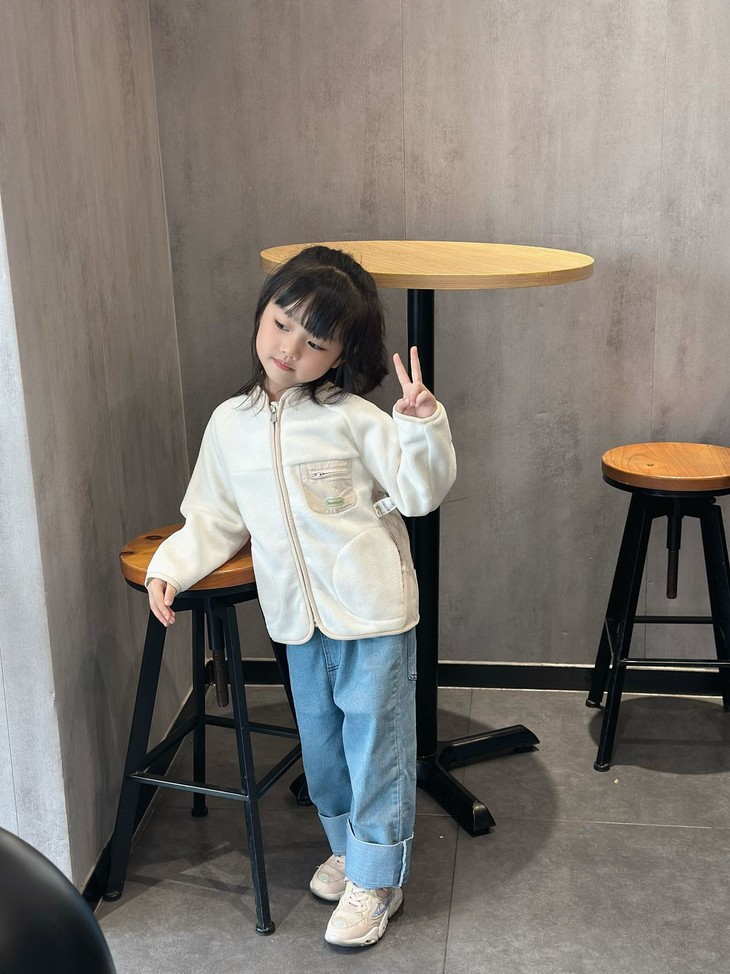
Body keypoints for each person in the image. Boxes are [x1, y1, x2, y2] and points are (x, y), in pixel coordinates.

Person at [146, 245, 456, 948]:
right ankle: (349, 850)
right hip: (296, 622)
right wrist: (175, 566)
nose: (289, 349)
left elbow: (419, 493)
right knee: (322, 752)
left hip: (372, 615)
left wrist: (421, 425)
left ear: (342, 354)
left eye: (315, 342)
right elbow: (216, 517)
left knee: (375, 748)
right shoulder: (230, 424)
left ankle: (377, 879)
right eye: (282, 324)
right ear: (262, 314)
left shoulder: (355, 418)